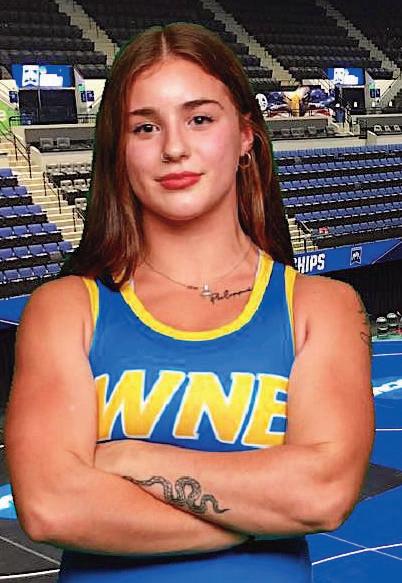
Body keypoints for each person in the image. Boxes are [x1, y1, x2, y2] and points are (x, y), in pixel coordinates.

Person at [5, 22, 374, 583]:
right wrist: (266, 514)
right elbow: (53, 506)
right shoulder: (65, 310)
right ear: (119, 151)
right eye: (145, 127)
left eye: (200, 119)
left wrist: (131, 458)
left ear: (246, 135)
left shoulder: (323, 308)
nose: (174, 148)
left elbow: (321, 496)